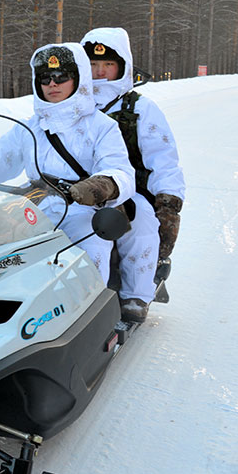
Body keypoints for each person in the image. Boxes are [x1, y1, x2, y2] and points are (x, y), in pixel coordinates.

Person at [0, 43, 135, 285]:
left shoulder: (101, 126)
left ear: (79, 78)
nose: (52, 84)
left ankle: (90, 306)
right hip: (33, 202)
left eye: (61, 76)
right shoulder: (31, 127)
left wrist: (102, 185)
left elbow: (120, 169)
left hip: (81, 207)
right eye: (45, 77)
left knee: (90, 246)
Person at [81, 27, 185, 322]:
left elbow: (163, 159)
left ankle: (136, 293)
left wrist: (168, 203)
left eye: (108, 65)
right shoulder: (70, 104)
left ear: (122, 66)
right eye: (92, 66)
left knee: (139, 222)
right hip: (72, 190)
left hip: (127, 191)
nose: (100, 73)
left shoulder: (139, 109)